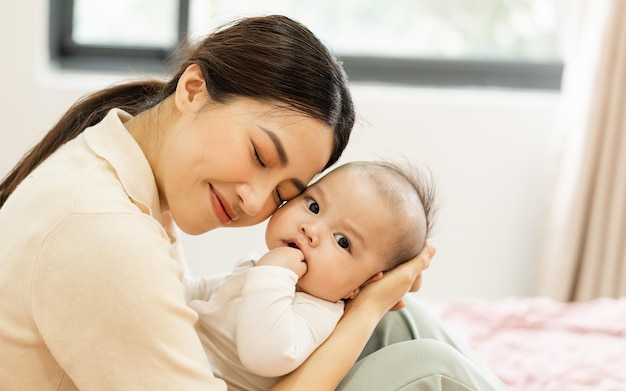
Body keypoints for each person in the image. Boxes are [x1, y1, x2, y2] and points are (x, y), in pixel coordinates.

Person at [0, 13, 505, 391]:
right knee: (432, 370)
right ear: (193, 89)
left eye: (288, 193)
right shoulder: (101, 231)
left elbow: (180, 302)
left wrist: (371, 303)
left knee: (404, 322)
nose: (256, 200)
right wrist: (366, 305)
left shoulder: (121, 168)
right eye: (261, 154)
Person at [186, 160, 437, 391]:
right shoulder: (262, 270)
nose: (311, 229)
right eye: (314, 206)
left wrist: (274, 272)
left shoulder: (317, 312)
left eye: (342, 241)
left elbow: (265, 355)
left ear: (362, 286)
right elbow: (197, 292)